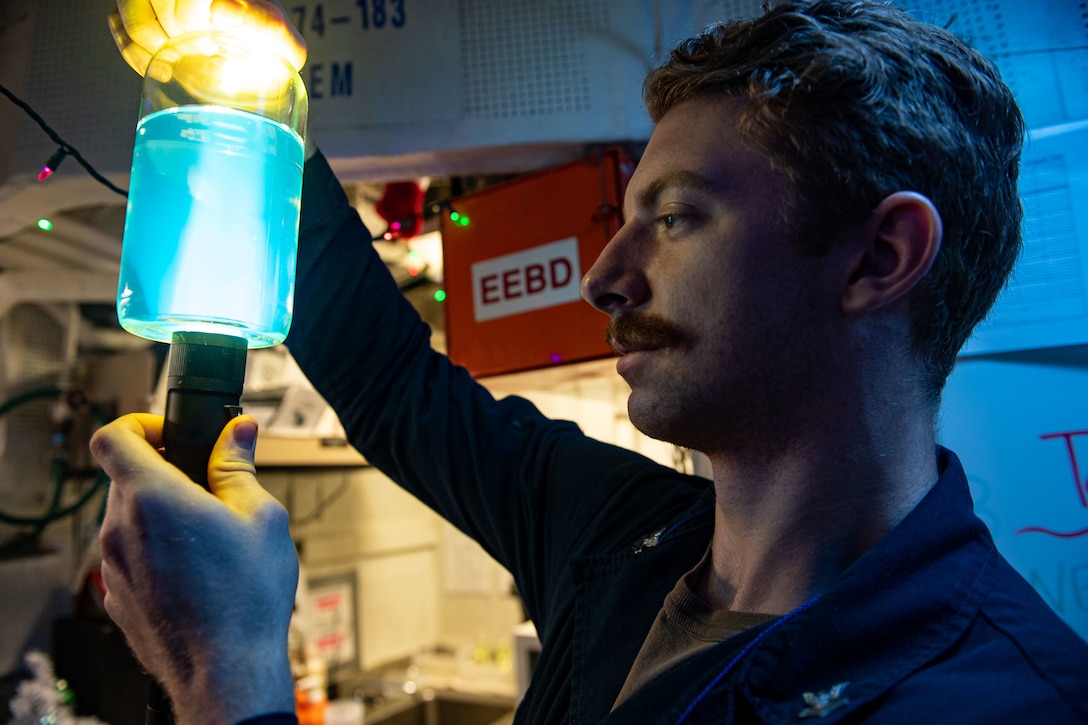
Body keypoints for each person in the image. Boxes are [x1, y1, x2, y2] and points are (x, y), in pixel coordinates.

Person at [92, 0, 1088, 723]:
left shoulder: (1010, 700)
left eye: (676, 218)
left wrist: (225, 677)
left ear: (877, 257)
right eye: (624, 219)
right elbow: (393, 386)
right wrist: (265, 111)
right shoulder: (622, 537)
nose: (606, 276)